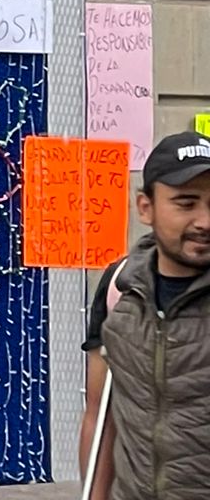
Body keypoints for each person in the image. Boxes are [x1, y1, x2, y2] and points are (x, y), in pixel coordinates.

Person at [80, 130, 210, 500]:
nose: (204, 220)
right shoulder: (120, 288)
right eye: (186, 203)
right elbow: (101, 417)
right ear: (145, 207)